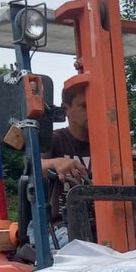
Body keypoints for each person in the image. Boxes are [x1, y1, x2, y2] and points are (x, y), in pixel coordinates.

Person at [39, 75, 90, 247]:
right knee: (85, 248)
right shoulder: (55, 139)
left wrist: (133, 158)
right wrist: (55, 163)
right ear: (65, 108)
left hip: (108, 222)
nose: (92, 110)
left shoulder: (109, 145)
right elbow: (34, 167)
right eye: (84, 106)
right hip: (62, 225)